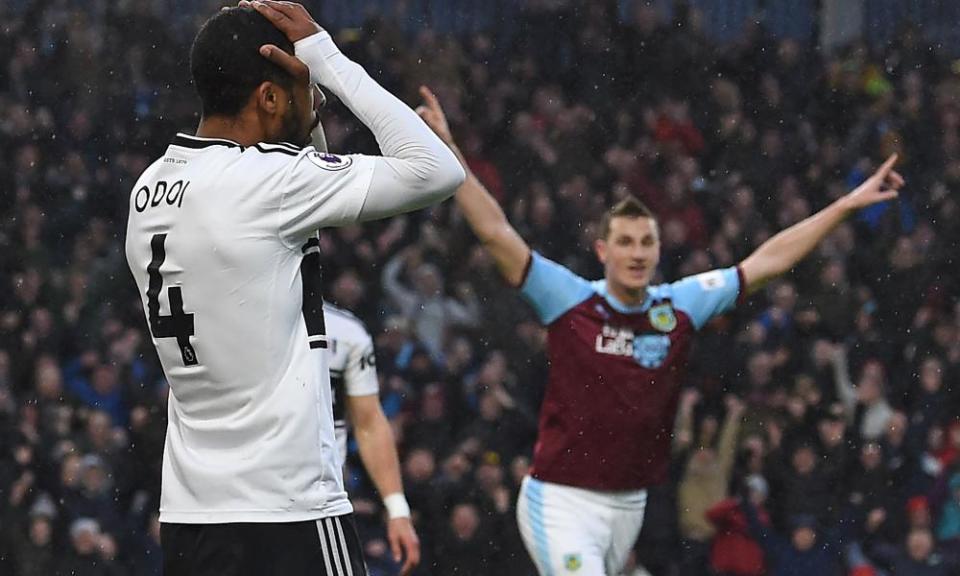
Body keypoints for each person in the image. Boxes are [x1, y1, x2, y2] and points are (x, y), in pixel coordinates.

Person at [415, 86, 903, 575]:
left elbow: (766, 262)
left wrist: (844, 206)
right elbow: (497, 232)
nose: (637, 252)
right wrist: (451, 152)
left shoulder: (680, 305)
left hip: (629, 506)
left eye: (646, 242)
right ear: (604, 252)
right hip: (560, 501)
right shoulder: (568, 298)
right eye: (624, 242)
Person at [123, 2, 463, 575]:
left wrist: (304, 107)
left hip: (192, 514)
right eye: (299, 92)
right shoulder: (270, 183)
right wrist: (327, 60)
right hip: (289, 511)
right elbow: (437, 170)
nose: (313, 103)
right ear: (269, 98)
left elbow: (299, 199)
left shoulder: (148, 189)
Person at [323, 301, 420, 574]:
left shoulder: (346, 332)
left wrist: (397, 508)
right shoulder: (231, 323)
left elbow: (369, 423)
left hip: (320, 500)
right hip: (238, 499)